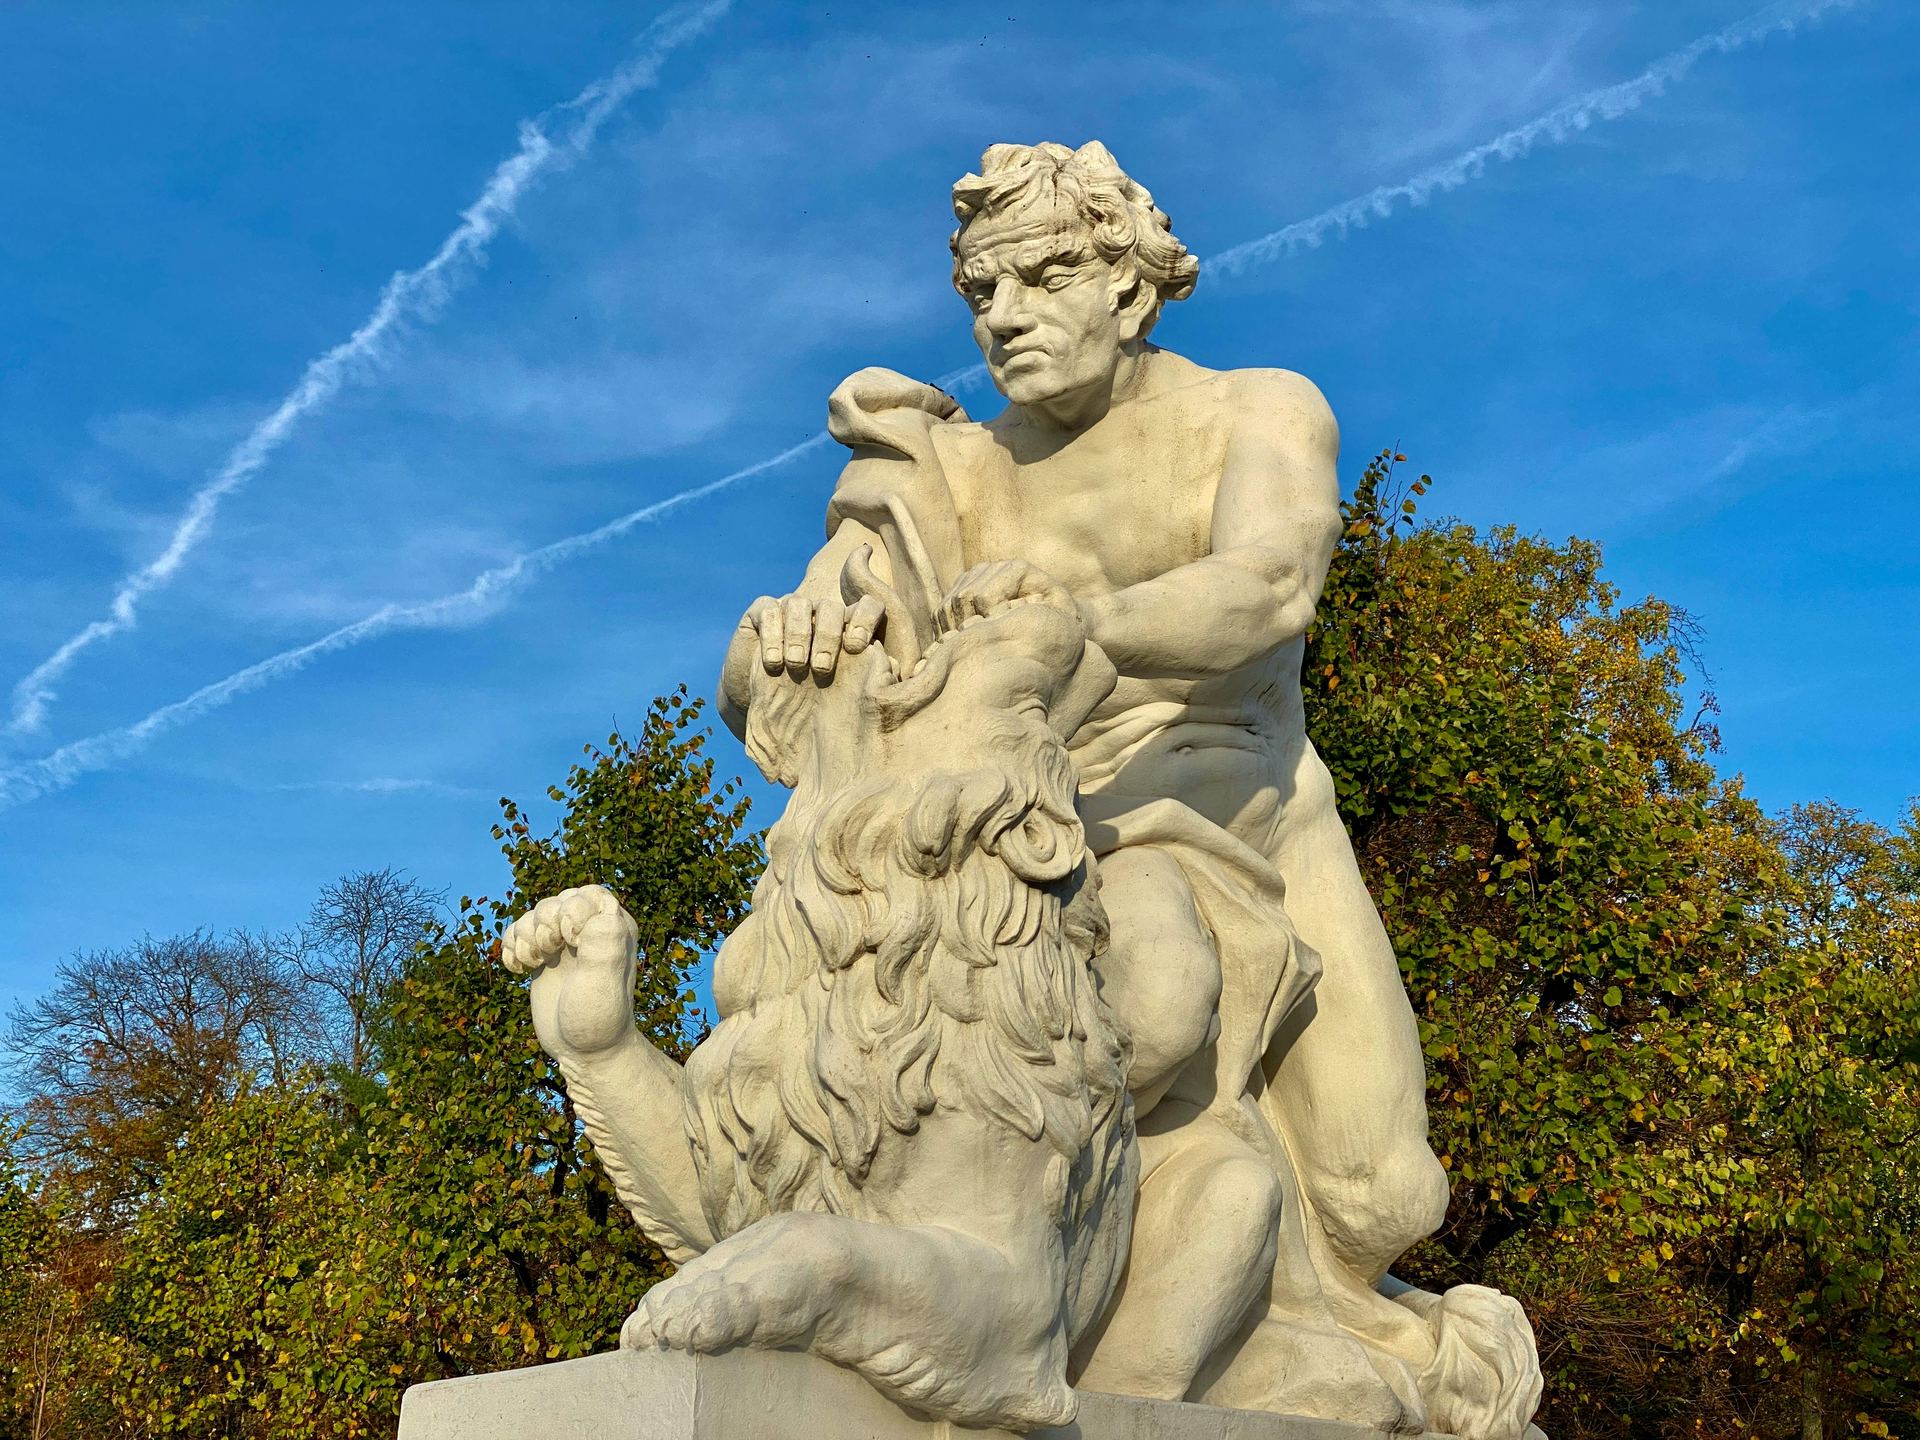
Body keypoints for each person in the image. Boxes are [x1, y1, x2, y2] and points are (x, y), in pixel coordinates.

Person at [722, 142, 1538, 1435]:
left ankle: (1399, 1357)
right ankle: (1063, 1313)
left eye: (1045, 277)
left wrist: (1080, 620)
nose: (1006, 316)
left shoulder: (1256, 410)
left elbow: (1272, 587)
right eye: (985, 292)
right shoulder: (948, 470)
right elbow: (782, 665)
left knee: (1384, 1201)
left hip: (1247, 805)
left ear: (1131, 290)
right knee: (1148, 1041)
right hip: (1054, 836)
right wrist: (788, 632)